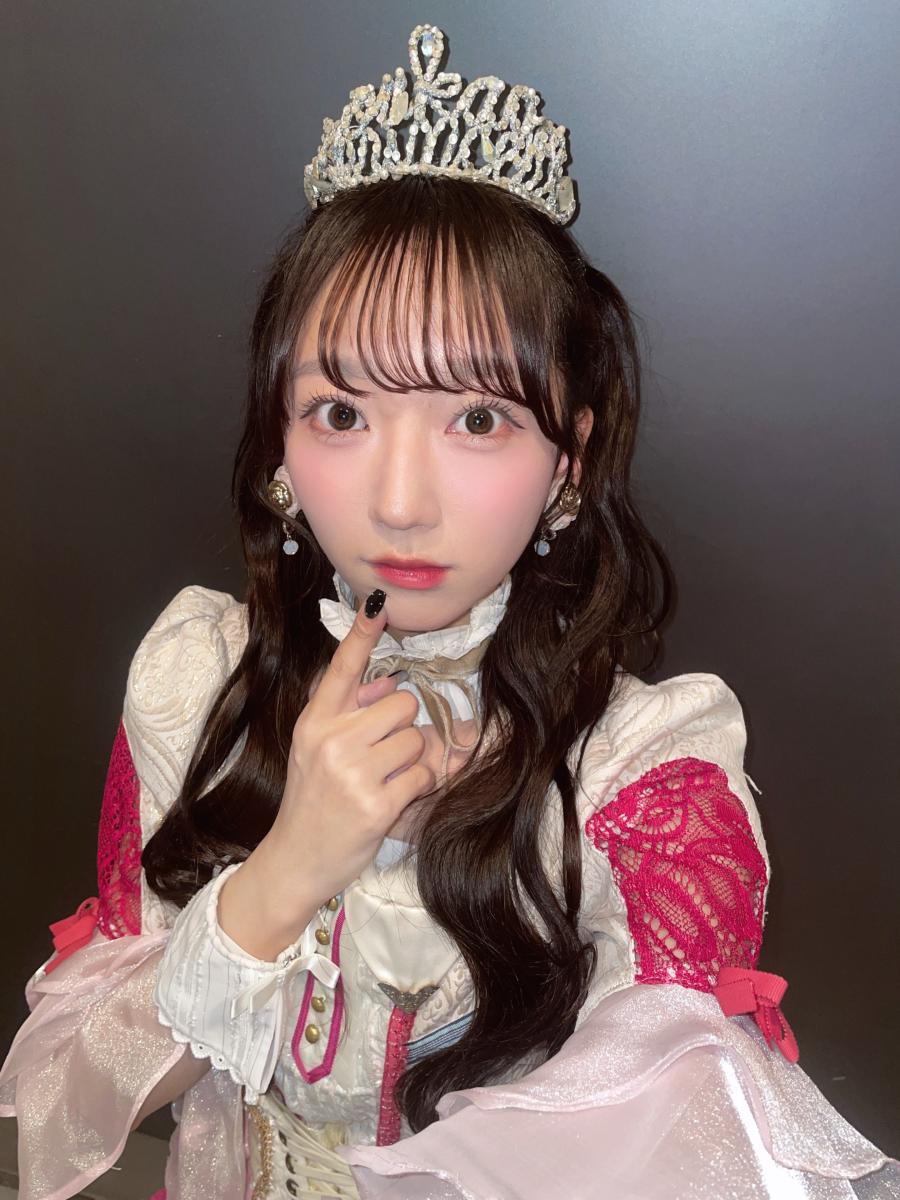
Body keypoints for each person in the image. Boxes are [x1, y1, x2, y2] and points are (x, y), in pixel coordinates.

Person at [1, 21, 896, 1200]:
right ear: (279, 446)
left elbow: (684, 1152)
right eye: (341, 414)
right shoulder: (195, 679)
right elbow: (76, 1103)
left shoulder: (645, 774)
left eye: (478, 419)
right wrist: (288, 869)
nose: (400, 502)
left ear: (569, 462)